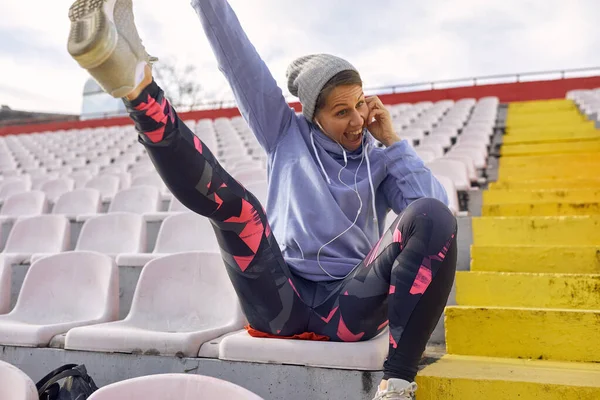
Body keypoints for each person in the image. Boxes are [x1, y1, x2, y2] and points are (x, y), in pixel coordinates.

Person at [67, 0, 457, 398]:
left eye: (360, 104)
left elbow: (437, 222)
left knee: (429, 214)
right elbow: (237, 58)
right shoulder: (284, 133)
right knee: (241, 211)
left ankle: (396, 384)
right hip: (279, 301)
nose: (358, 120)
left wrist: (392, 142)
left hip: (348, 309)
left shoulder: (379, 158)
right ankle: (139, 90)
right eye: (341, 111)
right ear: (313, 115)